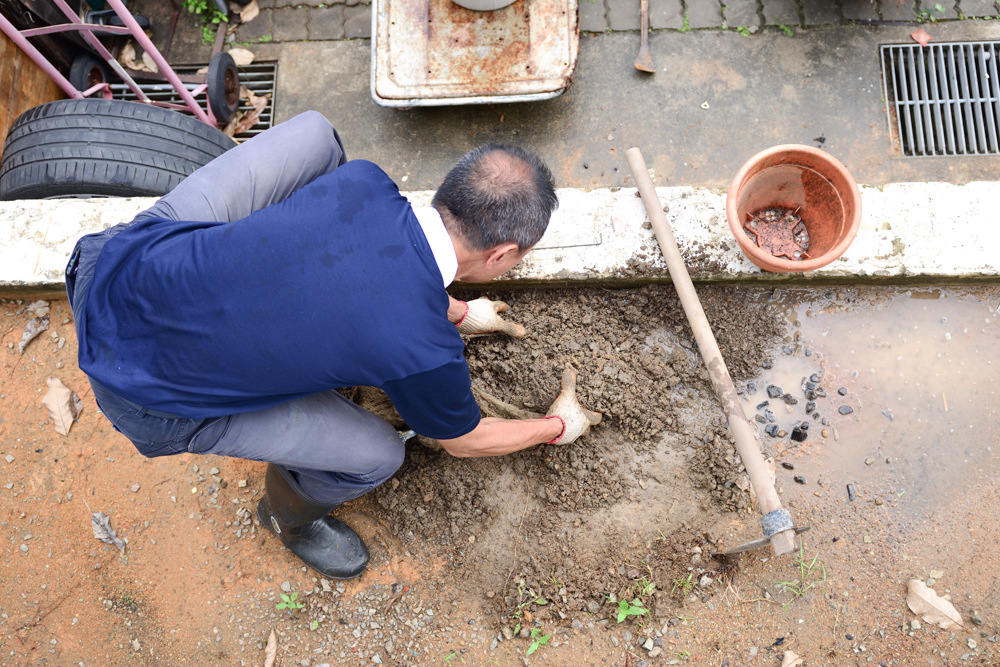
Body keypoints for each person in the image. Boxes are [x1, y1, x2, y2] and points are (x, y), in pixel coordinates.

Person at [65, 112, 600, 580]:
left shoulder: (361, 181)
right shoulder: (421, 348)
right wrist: (555, 427)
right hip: (148, 398)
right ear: (502, 254)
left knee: (316, 135)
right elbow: (465, 439)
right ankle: (286, 519)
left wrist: (457, 311)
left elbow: (366, 261)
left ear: (447, 185)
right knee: (380, 455)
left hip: (113, 264)